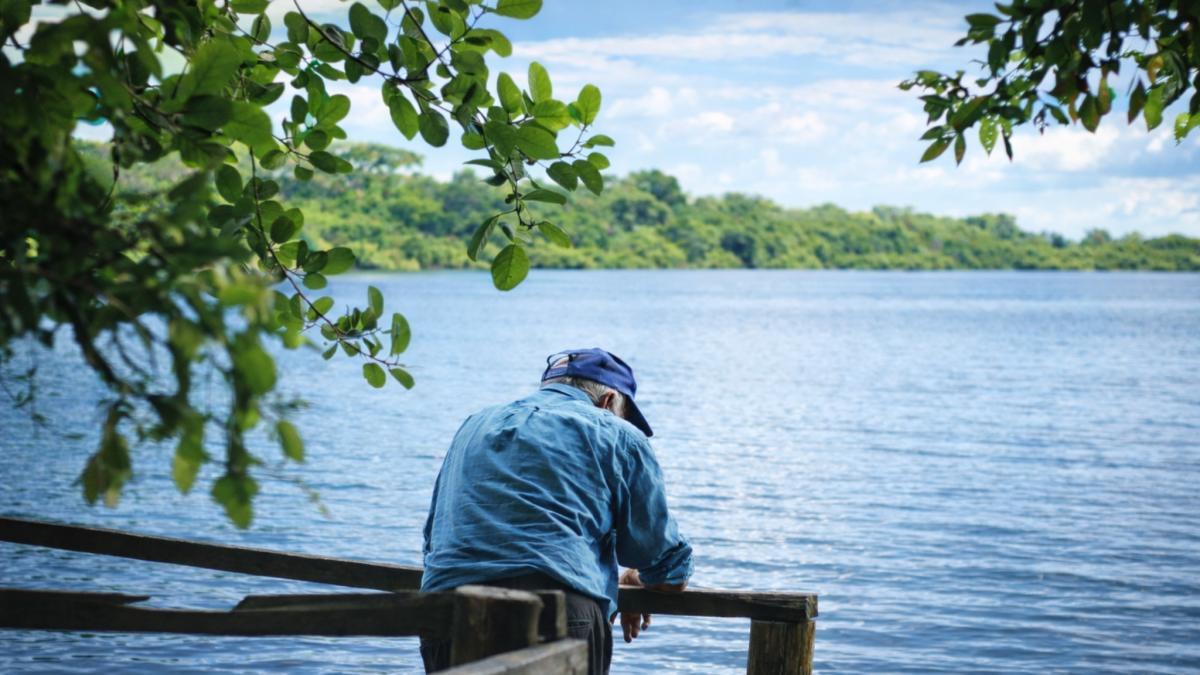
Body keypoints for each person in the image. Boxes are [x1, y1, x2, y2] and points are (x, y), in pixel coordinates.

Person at [419, 348, 694, 675]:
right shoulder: (617, 434)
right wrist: (633, 577)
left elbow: (432, 539)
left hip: (447, 612)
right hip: (555, 613)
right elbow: (670, 568)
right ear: (607, 401)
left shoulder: (473, 424)